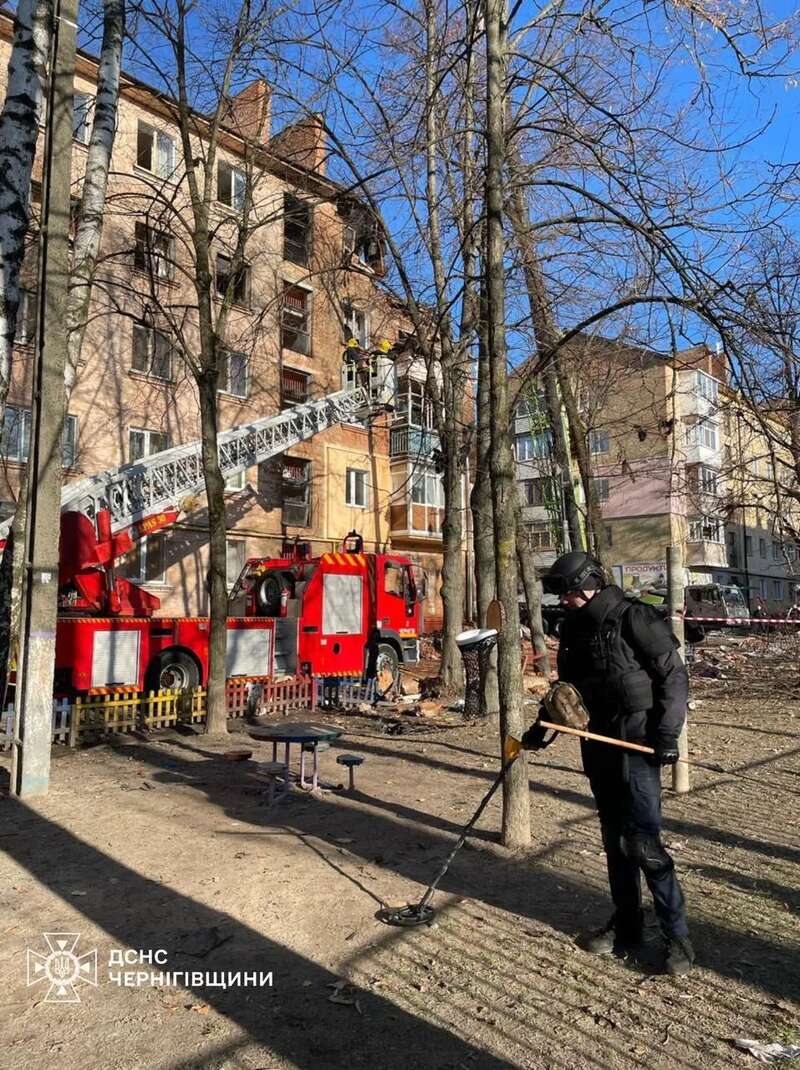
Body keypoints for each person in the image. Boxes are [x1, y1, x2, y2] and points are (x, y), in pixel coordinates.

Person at [522, 551, 694, 976]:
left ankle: (677, 939)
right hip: (598, 745)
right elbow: (567, 693)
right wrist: (542, 727)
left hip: (637, 744)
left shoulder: (635, 618)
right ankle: (627, 926)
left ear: (590, 583)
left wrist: (667, 735)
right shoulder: (573, 628)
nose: (562, 600)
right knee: (615, 841)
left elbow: (674, 677)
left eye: (567, 592)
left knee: (644, 844)